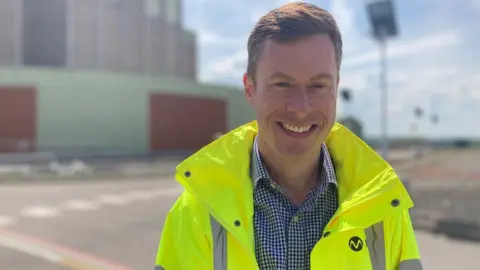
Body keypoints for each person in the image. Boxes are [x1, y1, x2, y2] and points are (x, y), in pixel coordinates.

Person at [154, 2, 422, 270]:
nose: (301, 108)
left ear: (336, 87)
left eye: (318, 85)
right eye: (282, 84)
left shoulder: (383, 207)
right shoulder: (196, 213)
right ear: (250, 89)